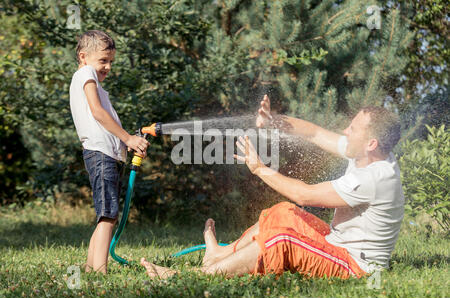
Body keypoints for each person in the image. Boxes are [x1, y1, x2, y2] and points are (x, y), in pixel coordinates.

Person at [140, 94, 404, 280]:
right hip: (336, 243)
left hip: (355, 265)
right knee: (283, 212)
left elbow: (304, 194)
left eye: (353, 128)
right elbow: (314, 133)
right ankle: (220, 254)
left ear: (371, 143)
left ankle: (194, 276)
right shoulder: (363, 153)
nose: (345, 131)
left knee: (282, 239)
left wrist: (259, 169)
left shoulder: (373, 178)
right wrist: (273, 121)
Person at [70, 30, 149, 274]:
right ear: (83, 57)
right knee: (107, 215)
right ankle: (101, 273)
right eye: (103, 60)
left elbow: (101, 117)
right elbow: (97, 112)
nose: (108, 67)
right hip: (100, 154)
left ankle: (91, 268)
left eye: (111, 62)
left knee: (108, 216)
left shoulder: (92, 79)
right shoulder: (85, 74)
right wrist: (128, 138)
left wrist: (125, 144)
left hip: (106, 154)